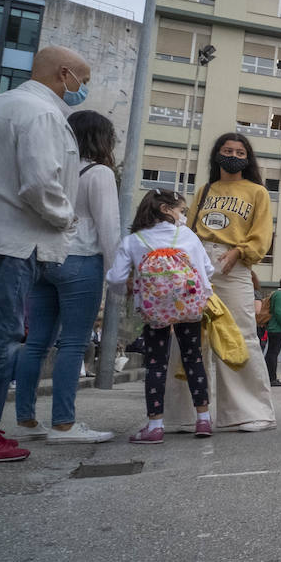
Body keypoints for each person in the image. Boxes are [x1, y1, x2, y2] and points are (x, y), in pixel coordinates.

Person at [0, 46, 87, 463]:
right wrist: (66, 219)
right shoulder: (42, 114)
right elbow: (39, 184)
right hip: (12, 242)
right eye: (82, 79)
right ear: (64, 74)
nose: (82, 89)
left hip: (1, 234)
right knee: (2, 338)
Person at [14, 109, 119, 443]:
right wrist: (116, 273)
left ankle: (27, 420)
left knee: (36, 342)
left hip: (44, 258)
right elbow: (108, 226)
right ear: (102, 138)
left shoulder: (54, 168)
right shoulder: (99, 172)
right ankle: (63, 423)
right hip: (81, 260)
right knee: (73, 343)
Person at [105, 190, 215, 443]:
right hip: (189, 307)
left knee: (156, 362)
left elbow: (116, 278)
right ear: (166, 209)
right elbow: (206, 269)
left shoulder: (134, 240)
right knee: (193, 358)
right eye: (181, 211)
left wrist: (130, 288)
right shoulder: (187, 235)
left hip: (155, 310)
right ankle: (203, 420)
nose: (184, 216)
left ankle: (154, 425)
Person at [186, 133, 276, 432]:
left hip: (234, 262)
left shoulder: (257, 192)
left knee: (240, 333)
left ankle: (250, 413)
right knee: (189, 337)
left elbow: (262, 234)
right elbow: (189, 231)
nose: (234, 156)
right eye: (227, 150)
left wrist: (240, 251)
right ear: (216, 154)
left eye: (240, 152)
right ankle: (187, 414)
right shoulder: (204, 191)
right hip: (199, 261)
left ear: (247, 159)